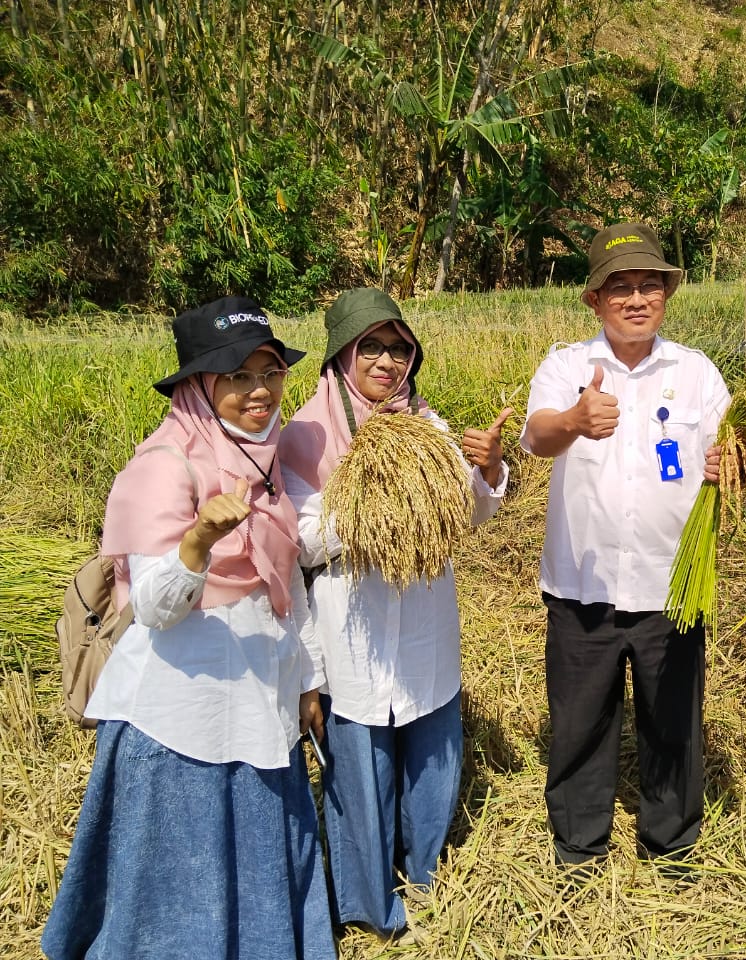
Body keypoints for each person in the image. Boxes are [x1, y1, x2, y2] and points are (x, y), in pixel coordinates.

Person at [42, 297, 334, 960]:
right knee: (174, 886)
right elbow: (153, 607)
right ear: (200, 388)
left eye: (270, 371)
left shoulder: (262, 462)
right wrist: (198, 541)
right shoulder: (163, 466)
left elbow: (281, 590)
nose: (259, 390)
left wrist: (305, 680)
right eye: (237, 376)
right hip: (179, 716)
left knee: (257, 850)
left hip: (257, 698)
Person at [278, 287, 510, 937]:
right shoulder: (305, 433)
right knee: (361, 775)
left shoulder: (427, 424)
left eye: (398, 348)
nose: (387, 361)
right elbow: (299, 538)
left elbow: (466, 512)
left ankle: (426, 877)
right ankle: (367, 904)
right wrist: (377, 502)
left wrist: (486, 470)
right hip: (351, 630)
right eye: (371, 347)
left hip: (426, 622)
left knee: (432, 763)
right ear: (341, 354)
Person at [520, 222, 730, 871]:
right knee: (581, 722)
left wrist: (734, 462)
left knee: (673, 722)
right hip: (584, 586)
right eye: (621, 288)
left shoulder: (695, 373)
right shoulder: (566, 366)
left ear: (666, 294)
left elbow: (729, 452)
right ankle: (579, 845)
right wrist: (576, 421)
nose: (636, 299)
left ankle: (670, 844)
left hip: (672, 584)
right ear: (594, 300)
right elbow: (536, 437)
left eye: (649, 286)